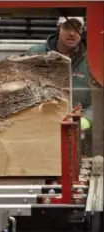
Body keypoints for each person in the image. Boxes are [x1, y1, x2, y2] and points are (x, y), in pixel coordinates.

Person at [27, 16, 93, 156]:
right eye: (67, 27)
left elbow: (101, 96)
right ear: (58, 28)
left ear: (83, 30)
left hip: (82, 134)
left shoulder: (93, 58)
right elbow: (24, 87)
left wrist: (87, 119)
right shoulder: (36, 54)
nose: (72, 33)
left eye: (77, 28)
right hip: (41, 129)